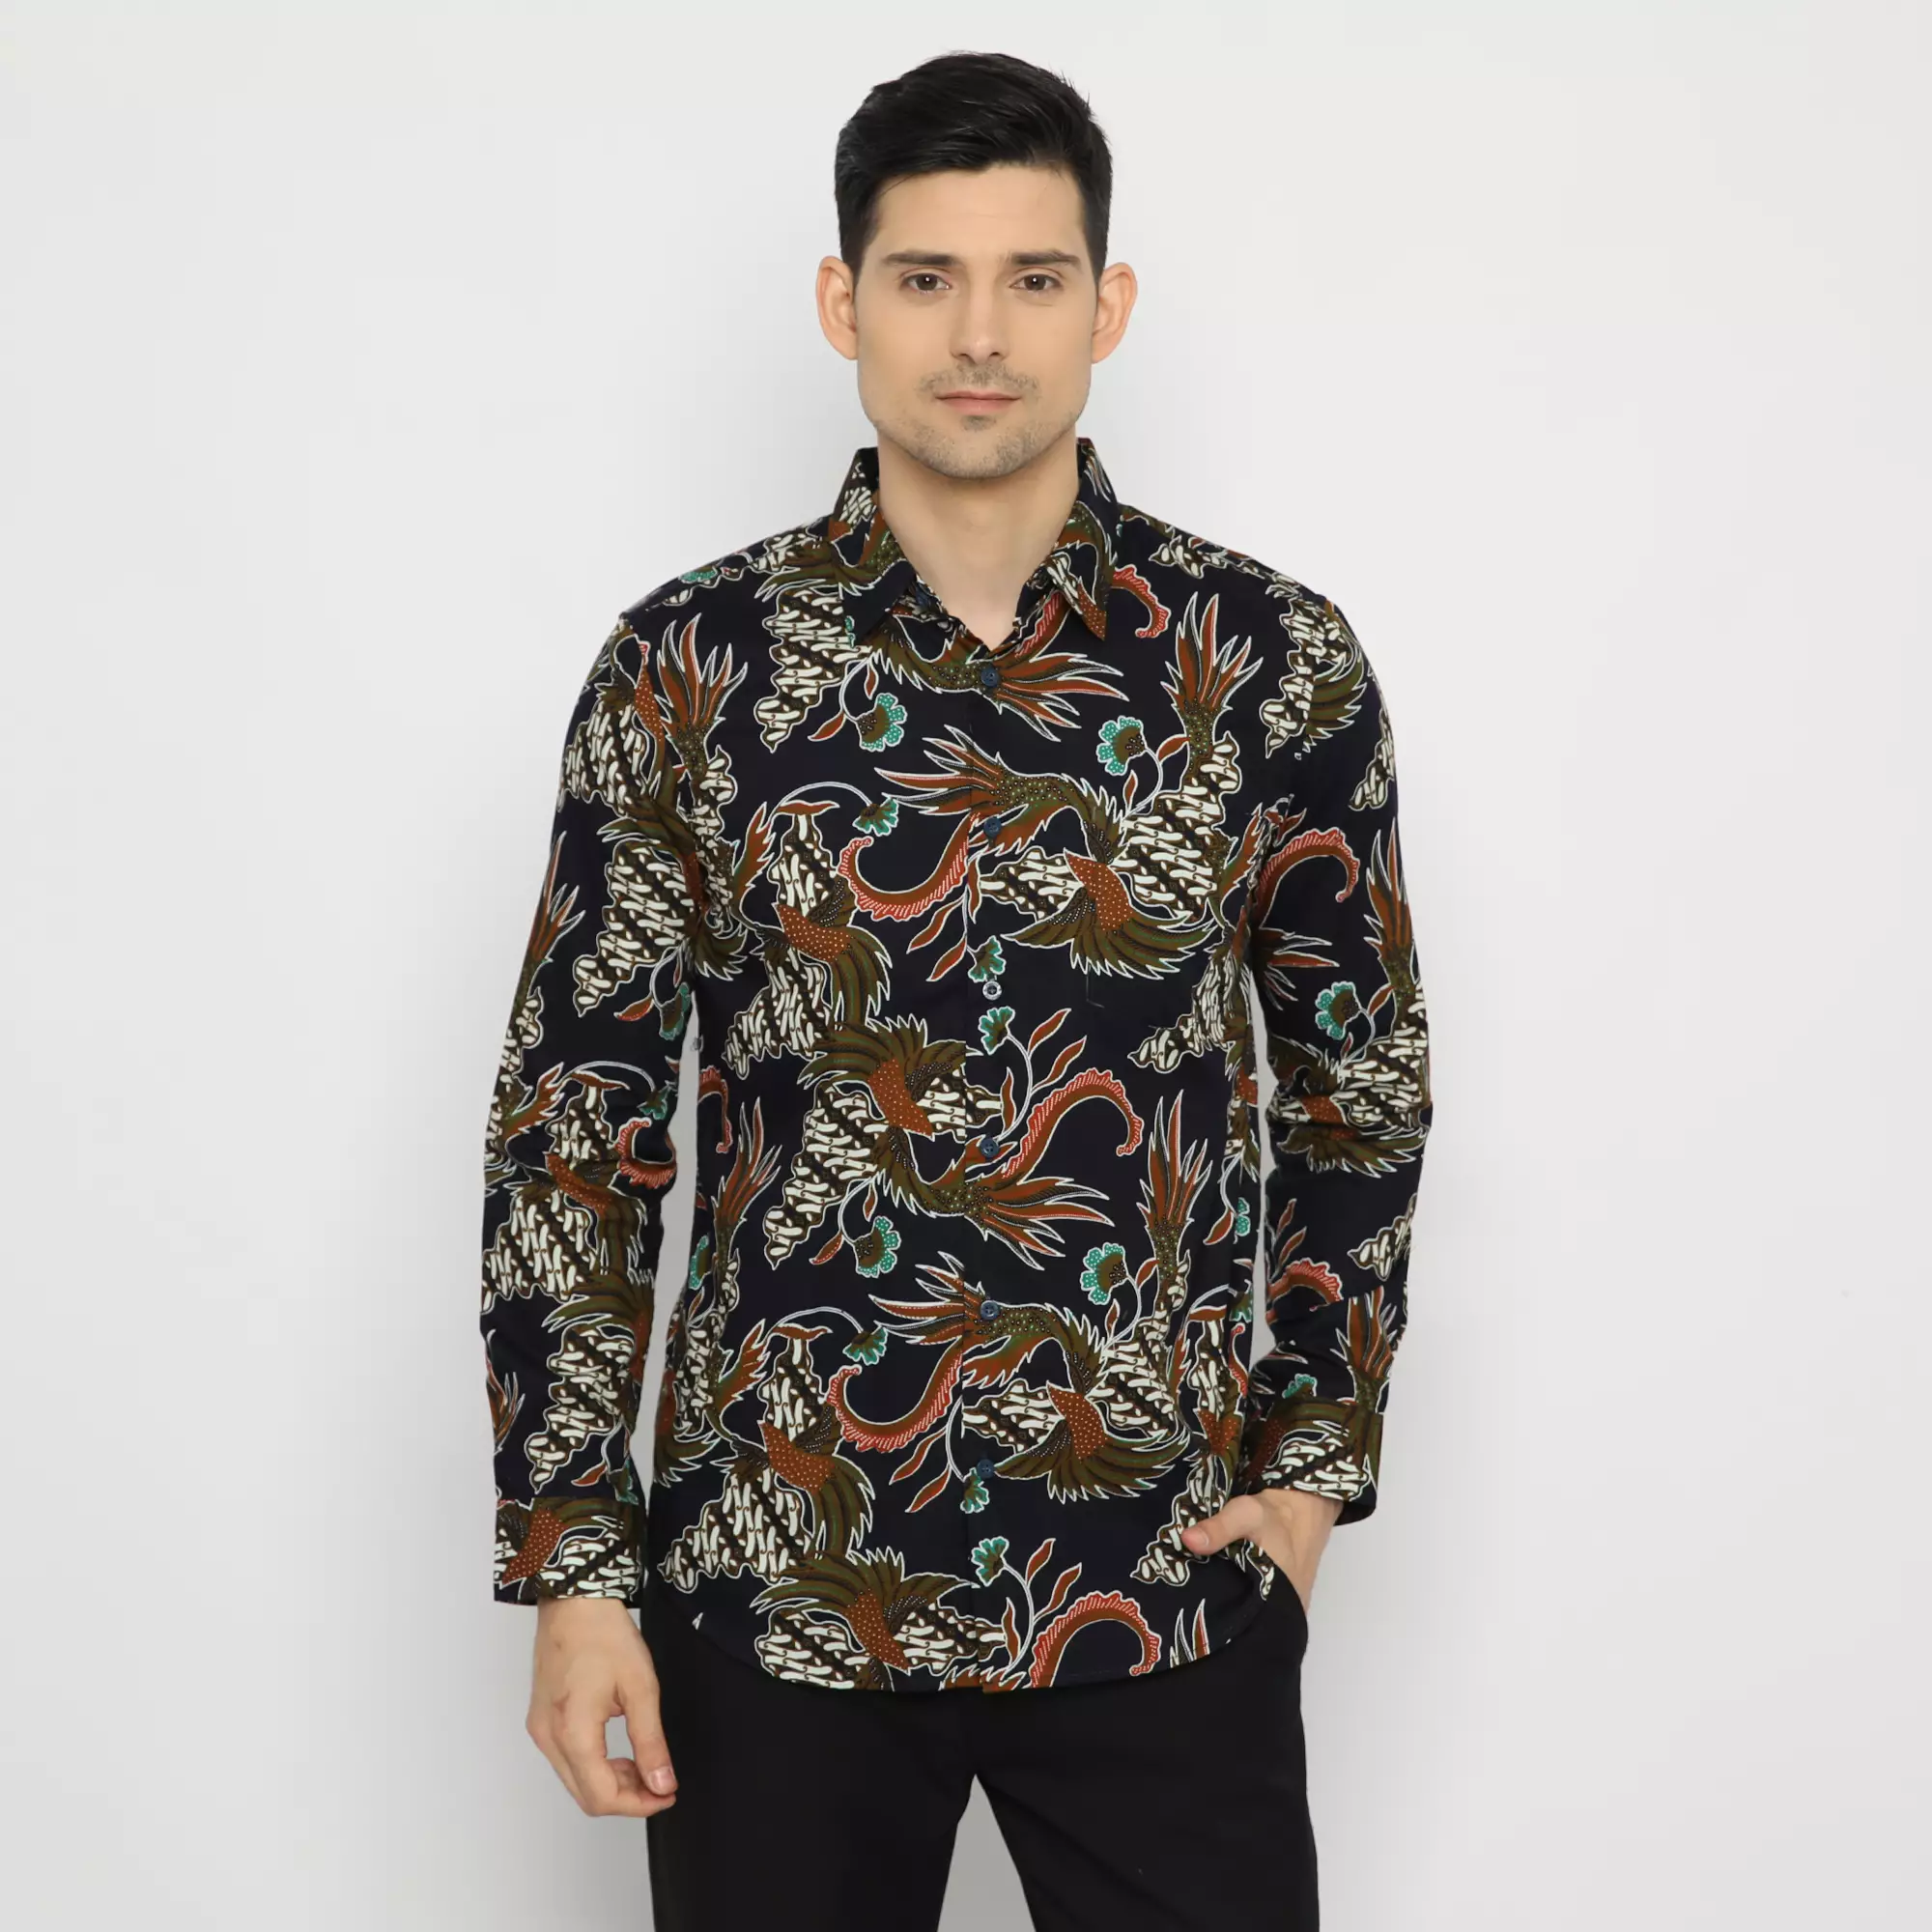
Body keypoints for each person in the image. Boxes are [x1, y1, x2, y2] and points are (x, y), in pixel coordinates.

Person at [479, 47, 1433, 1932]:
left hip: (1164, 1586)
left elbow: (1360, 1082)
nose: (980, 333)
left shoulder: (1265, 661)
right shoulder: (690, 667)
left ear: (1108, 303)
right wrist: (575, 1563)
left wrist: (1311, 1470)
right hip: (775, 1594)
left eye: (1032, 277)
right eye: (926, 278)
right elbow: (578, 1123)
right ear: (844, 303)